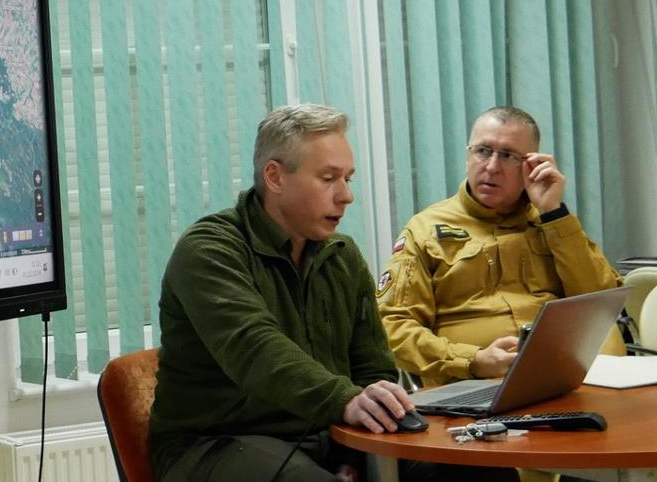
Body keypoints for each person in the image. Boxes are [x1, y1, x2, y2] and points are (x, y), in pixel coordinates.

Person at [148, 103, 419, 481]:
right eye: (328, 178)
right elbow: (256, 350)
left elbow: (371, 368)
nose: (346, 196)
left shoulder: (341, 255)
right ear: (274, 177)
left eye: (348, 179)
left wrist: (356, 452)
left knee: (466, 471)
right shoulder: (209, 249)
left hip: (328, 434)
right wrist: (344, 401)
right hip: (216, 444)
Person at [377, 106, 622, 391]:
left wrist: (553, 213)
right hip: (470, 385)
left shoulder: (552, 222)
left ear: (531, 165)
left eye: (507, 156)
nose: (492, 167)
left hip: (566, 380)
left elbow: (602, 302)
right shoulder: (424, 229)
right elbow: (394, 326)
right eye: (483, 151)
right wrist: (472, 360)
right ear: (468, 155)